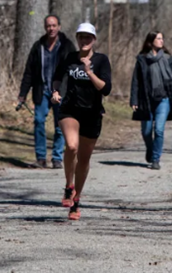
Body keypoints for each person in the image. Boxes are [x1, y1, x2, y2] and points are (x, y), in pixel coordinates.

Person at [51, 22, 111, 220]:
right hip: (69, 110)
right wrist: (56, 91)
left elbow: (106, 89)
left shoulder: (101, 60)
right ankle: (69, 186)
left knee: (84, 159)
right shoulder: (69, 58)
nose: (84, 40)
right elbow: (57, 76)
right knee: (72, 146)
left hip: (92, 114)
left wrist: (89, 71)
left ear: (94, 40)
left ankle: (76, 201)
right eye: (81, 37)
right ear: (77, 39)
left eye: (88, 37)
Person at [18, 15, 77, 169]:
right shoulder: (38, 46)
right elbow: (29, 71)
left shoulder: (67, 46)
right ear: (45, 27)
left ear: (59, 26)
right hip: (42, 91)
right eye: (48, 26)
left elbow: (74, 70)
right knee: (38, 121)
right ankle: (41, 158)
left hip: (61, 92)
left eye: (54, 25)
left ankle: (57, 157)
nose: (51, 28)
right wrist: (23, 93)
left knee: (60, 125)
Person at [129, 31, 172, 170]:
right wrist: (134, 100)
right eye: (158, 38)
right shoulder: (142, 60)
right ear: (151, 41)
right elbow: (136, 81)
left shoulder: (167, 59)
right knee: (147, 131)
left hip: (164, 99)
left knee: (159, 130)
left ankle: (155, 159)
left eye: (162, 38)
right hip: (146, 100)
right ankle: (150, 148)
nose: (161, 41)